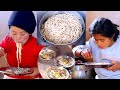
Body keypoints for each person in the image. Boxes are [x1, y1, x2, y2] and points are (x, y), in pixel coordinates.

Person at [0, 11, 44, 79]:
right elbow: (1, 50)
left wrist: (39, 70)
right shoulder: (7, 40)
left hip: (32, 76)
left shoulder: (38, 44)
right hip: (12, 74)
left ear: (29, 32)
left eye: (22, 34)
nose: (18, 38)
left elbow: (48, 63)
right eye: (14, 33)